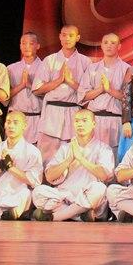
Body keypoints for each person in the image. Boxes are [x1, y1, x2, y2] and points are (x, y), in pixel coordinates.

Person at [30, 109, 115, 222]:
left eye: (84, 121)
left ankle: (55, 217)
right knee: (38, 191)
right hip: (65, 196)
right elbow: (50, 176)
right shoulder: (66, 148)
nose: (80, 124)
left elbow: (104, 175)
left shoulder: (103, 148)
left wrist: (80, 158)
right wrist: (68, 160)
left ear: (93, 124)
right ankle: (79, 215)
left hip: (88, 196)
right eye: (77, 121)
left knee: (100, 189)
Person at [33, 25, 91, 164]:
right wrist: (59, 80)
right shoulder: (50, 60)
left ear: (78, 38)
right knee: (47, 154)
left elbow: (88, 93)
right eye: (64, 35)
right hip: (52, 111)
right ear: (59, 36)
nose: (67, 38)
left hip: (74, 110)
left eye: (71, 35)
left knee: (73, 154)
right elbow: (37, 89)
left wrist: (70, 81)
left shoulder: (85, 61)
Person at [78, 32, 129, 160]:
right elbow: (83, 95)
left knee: (114, 156)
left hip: (115, 120)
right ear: (101, 45)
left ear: (119, 46)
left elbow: (129, 98)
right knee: (92, 156)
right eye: (105, 42)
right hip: (95, 119)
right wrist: (100, 89)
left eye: (113, 43)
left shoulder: (127, 69)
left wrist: (110, 90)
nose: (109, 46)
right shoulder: (92, 68)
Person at [4, 32, 46, 145]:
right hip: (15, 118)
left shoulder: (45, 67)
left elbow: (49, 94)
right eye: (23, 43)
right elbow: (4, 96)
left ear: (38, 46)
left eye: (31, 44)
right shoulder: (11, 68)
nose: (27, 47)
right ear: (20, 46)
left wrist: (30, 85)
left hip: (36, 117)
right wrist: (22, 85)